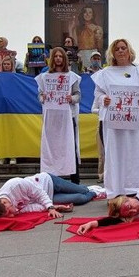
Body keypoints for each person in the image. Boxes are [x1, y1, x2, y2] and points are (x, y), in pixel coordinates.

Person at [92, 39, 139, 197]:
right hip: (113, 122)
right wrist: (104, 99)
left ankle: (136, 189)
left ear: (129, 50)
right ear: (112, 52)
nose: (120, 51)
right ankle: (115, 190)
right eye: (117, 49)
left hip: (133, 121)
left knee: (134, 153)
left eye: (123, 48)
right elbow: (98, 94)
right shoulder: (104, 73)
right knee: (114, 154)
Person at [36, 47, 81, 182]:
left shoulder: (72, 77)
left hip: (68, 117)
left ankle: (75, 181)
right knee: (51, 148)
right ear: (52, 59)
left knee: (70, 147)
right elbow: (39, 95)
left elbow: (78, 95)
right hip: (52, 119)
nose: (58, 59)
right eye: (55, 56)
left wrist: (71, 99)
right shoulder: (45, 77)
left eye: (60, 56)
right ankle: (50, 180)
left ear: (64, 59)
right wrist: (42, 97)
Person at [0, 173, 87, 218]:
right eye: (8, 215)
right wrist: (53, 207)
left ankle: (94, 190)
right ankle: (94, 193)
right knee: (80, 198)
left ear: (4, 202)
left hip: (48, 182)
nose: (12, 215)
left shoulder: (15, 184)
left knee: (83, 190)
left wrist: (50, 207)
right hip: (48, 198)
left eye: (9, 211)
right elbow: (32, 208)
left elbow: (39, 193)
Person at [68, 5, 104, 70]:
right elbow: (74, 44)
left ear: (93, 15)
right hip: (82, 54)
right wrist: (71, 29)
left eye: (90, 12)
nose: (87, 14)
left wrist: (98, 38)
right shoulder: (77, 28)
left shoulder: (98, 28)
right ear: (82, 14)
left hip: (93, 53)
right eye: (85, 12)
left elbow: (100, 46)